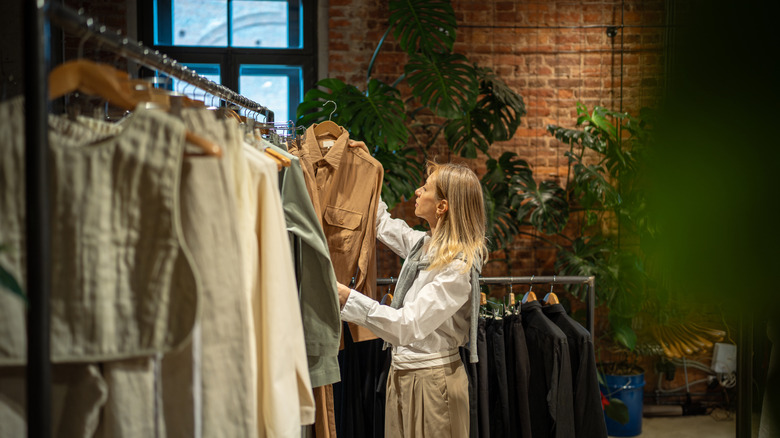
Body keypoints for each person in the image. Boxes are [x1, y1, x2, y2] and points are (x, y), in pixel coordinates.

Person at [337, 159, 488, 438]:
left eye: (426, 188)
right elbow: (380, 222)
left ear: (442, 206)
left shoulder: (457, 268)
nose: (417, 192)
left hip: (433, 382)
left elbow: (407, 326)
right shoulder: (425, 246)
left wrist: (348, 299)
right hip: (404, 375)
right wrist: (361, 167)